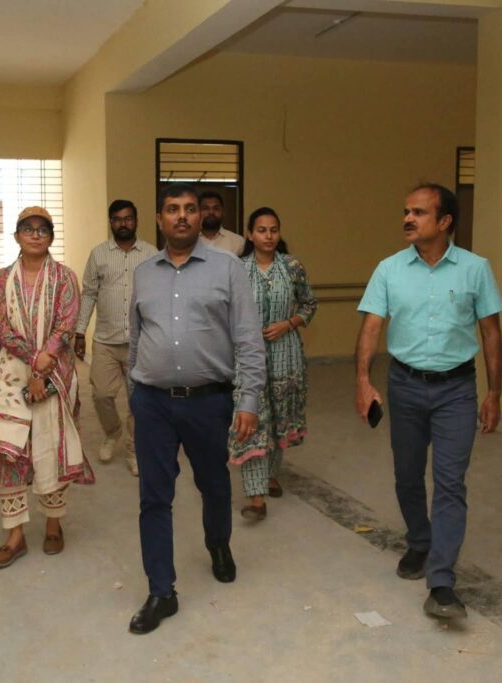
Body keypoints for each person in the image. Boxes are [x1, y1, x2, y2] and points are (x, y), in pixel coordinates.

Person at [354, 183, 502, 619]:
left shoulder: (476, 269)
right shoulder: (389, 269)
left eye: (418, 212)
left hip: (457, 390)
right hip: (404, 386)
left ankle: (441, 581)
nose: (408, 218)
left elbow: (491, 333)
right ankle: (420, 541)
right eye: (406, 211)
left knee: (450, 482)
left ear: (445, 221)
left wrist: (494, 393)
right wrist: (363, 380)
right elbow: (371, 327)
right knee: (407, 474)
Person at [127, 184, 265, 634]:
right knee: (154, 497)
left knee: (214, 484)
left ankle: (218, 544)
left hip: (208, 402)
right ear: (160, 219)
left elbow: (248, 339)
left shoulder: (228, 268)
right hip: (152, 403)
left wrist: (248, 400)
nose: (182, 216)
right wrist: (134, 393)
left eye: (189, 209)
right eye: (172, 209)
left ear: (200, 217)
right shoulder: (143, 273)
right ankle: (161, 591)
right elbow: (136, 337)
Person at [0, 206, 95, 569]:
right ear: (16, 236)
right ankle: (14, 536)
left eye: (42, 229)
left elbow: (66, 325)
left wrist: (44, 366)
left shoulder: (64, 277)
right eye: (27, 229)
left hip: (55, 374)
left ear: (51, 237)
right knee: (10, 451)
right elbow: (1, 328)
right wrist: (33, 361)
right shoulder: (1, 279)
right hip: (12, 375)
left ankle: (53, 525)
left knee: (52, 446)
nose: (35, 234)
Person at [228, 208, 317, 521]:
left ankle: (270, 474)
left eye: (273, 230)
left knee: (279, 419)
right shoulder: (237, 269)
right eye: (261, 230)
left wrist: (289, 323)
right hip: (246, 358)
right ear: (250, 234)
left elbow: (309, 304)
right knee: (250, 419)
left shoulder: (292, 267)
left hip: (286, 355)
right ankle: (256, 498)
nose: (268, 236)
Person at [74, 199, 158, 476]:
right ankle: (112, 433)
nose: (123, 223)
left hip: (140, 341)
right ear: (110, 222)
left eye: (128, 218)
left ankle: (134, 449)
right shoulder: (98, 254)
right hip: (105, 341)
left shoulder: (151, 254)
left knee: (138, 400)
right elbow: (89, 294)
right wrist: (79, 331)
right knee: (101, 394)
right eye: (118, 219)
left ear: (136, 220)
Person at [197, 190, 245, 256]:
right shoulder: (189, 241)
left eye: (216, 208)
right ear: (197, 212)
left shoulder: (238, 242)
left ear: (223, 212)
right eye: (205, 208)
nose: (211, 212)